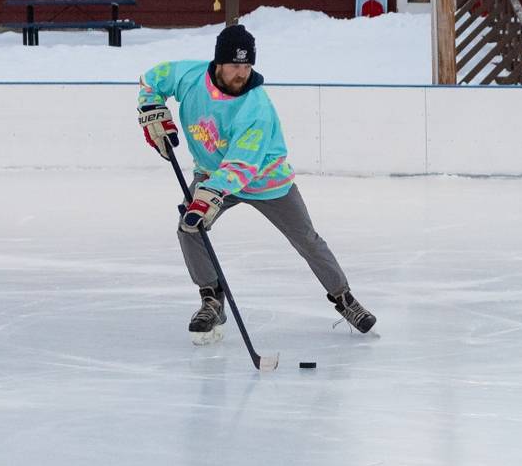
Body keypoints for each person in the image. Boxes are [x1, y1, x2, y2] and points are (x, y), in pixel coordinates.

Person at [137, 23, 376, 341]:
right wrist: (152, 108)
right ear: (218, 64)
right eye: (235, 65)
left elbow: (242, 165)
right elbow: (151, 80)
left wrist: (211, 195)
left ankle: (344, 298)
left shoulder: (256, 108)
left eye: (247, 65)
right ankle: (211, 300)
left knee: (306, 239)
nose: (241, 73)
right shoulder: (190, 76)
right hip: (211, 172)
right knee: (188, 226)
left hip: (266, 181)